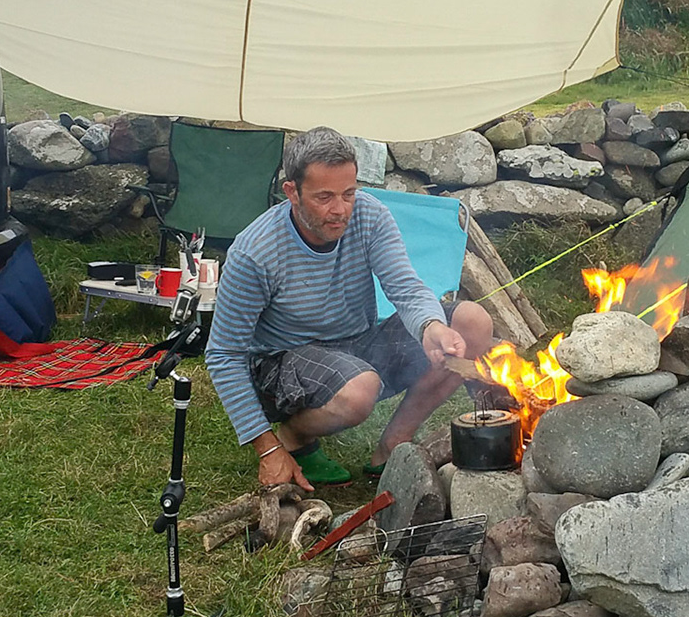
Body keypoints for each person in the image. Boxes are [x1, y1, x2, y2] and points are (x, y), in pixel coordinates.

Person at [205, 127, 495, 489]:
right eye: (324, 197)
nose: (340, 210)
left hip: (358, 345)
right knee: (360, 390)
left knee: (473, 322)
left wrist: (430, 327)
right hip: (285, 362)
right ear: (292, 192)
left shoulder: (369, 216)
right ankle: (293, 437)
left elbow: (405, 286)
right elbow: (224, 354)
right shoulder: (255, 252)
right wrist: (266, 448)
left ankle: (393, 443)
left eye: (349, 193)